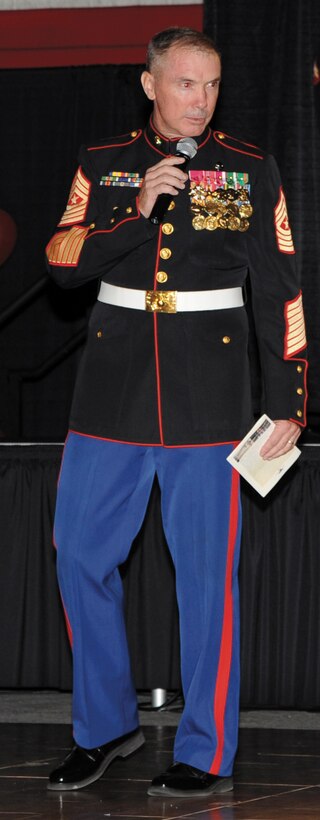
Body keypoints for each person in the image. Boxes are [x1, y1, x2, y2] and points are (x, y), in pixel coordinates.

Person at [45, 27, 307, 798]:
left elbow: (283, 290)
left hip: (211, 401)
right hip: (110, 396)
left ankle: (206, 748)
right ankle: (104, 728)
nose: (200, 99)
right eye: (186, 84)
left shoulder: (250, 169)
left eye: (212, 85)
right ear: (150, 85)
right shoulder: (104, 164)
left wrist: (289, 398)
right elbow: (60, 261)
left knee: (205, 581)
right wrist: (135, 213)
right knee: (78, 557)